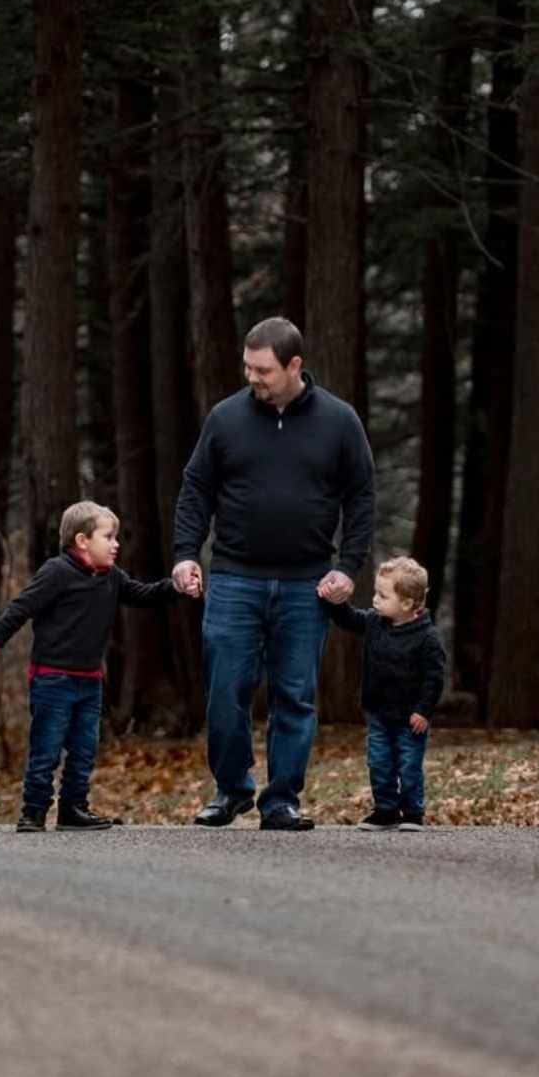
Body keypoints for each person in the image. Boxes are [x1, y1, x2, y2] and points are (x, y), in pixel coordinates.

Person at [172, 316, 375, 831]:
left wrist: (349, 568)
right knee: (226, 689)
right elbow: (196, 488)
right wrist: (185, 554)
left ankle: (282, 798)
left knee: (295, 694)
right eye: (247, 366)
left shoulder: (339, 421)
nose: (252, 377)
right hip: (236, 576)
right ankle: (232, 788)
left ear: (294, 366)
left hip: (307, 581)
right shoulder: (225, 419)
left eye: (262, 369)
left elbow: (361, 497)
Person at [0, 501, 175, 833]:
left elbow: (142, 594)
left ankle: (73, 809)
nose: (116, 543)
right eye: (109, 536)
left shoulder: (112, 577)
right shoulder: (56, 572)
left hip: (90, 681)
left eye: (116, 537)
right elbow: (21, 607)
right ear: (82, 540)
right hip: (52, 678)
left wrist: (175, 587)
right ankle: (33, 811)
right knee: (46, 749)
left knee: (84, 749)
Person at [323, 556, 446, 830]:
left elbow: (434, 679)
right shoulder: (375, 623)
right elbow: (349, 618)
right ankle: (385, 810)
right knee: (379, 763)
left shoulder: (427, 638)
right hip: (378, 712)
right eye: (376, 594)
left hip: (410, 718)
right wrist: (333, 602)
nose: (375, 600)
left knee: (409, 767)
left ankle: (413, 812)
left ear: (407, 603)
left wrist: (423, 711)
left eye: (382, 595)